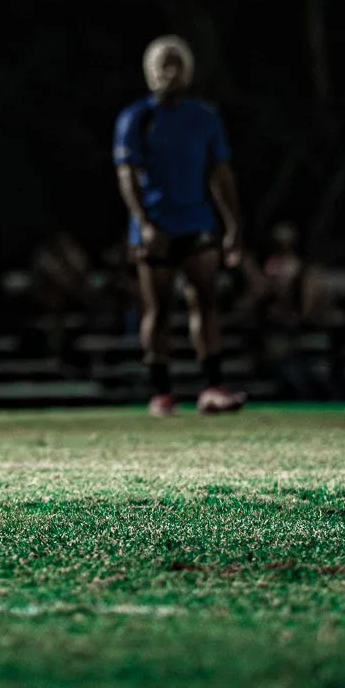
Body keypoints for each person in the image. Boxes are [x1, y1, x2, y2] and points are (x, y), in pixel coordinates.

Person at [113, 34, 247, 416]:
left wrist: (233, 224)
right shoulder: (136, 118)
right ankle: (161, 391)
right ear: (149, 71)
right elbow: (127, 176)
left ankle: (213, 386)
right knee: (157, 309)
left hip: (197, 221)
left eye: (177, 64)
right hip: (155, 226)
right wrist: (144, 223)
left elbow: (220, 172)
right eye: (162, 64)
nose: (169, 72)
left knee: (205, 301)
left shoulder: (204, 117)